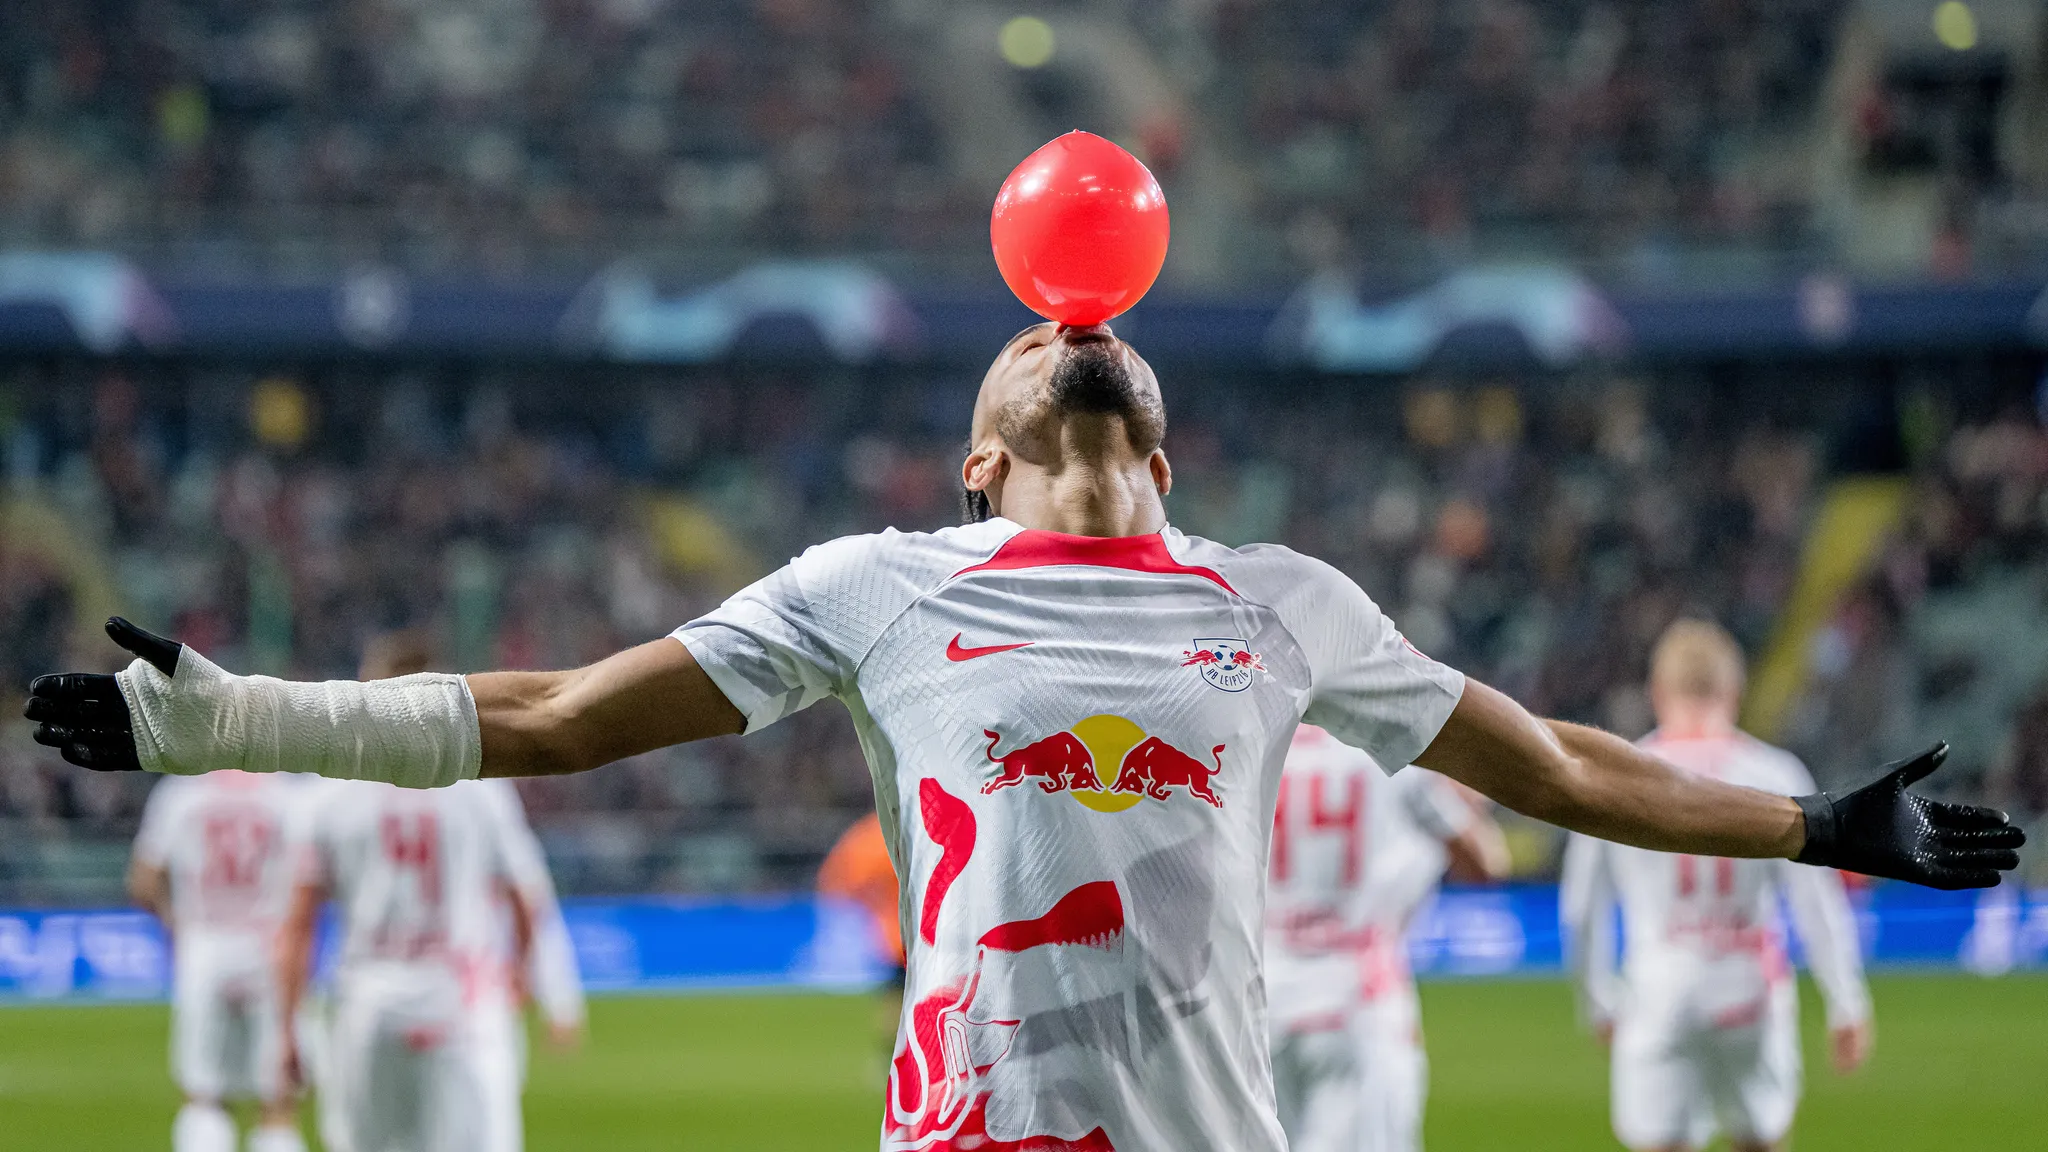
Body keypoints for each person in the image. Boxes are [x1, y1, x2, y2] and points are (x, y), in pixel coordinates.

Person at [28, 321, 2022, 1152]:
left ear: (1160, 450)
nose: (1077, 385)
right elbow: (550, 715)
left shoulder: (1280, 600)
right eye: (1035, 385)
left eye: (1118, 403)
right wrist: (227, 721)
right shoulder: (874, 587)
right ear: (983, 454)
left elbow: (1560, 765)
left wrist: (1813, 836)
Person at [1561, 621, 1874, 1152]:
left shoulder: (1618, 774)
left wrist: (1598, 1000)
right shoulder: (1773, 772)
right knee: (1759, 1140)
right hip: (1749, 987)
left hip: (1659, 986)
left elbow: (1581, 906)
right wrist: (1847, 1000)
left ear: (1658, 692)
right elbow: (1815, 902)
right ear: (1733, 691)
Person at [278, 633, 582, 1152]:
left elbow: (298, 923)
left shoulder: (326, 794)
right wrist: (529, 978)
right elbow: (526, 898)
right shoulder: (481, 788)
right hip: (461, 999)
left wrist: (287, 1025)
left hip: (366, 1002)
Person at [1266, 724, 1510, 1152]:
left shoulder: (1259, 747)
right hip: (1356, 997)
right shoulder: (1386, 751)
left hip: (1262, 1000)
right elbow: (1486, 862)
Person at [130, 768, 310, 1152]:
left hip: (205, 943)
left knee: (204, 1095)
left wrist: (174, 921)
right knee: (277, 1101)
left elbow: (143, 880)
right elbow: (311, 879)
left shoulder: (180, 793)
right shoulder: (286, 794)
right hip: (272, 948)